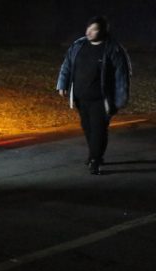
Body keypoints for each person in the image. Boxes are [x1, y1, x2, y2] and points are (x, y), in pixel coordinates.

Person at [56, 16, 131, 175]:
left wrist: (121, 98)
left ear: (103, 31)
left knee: (98, 129)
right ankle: (95, 154)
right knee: (87, 127)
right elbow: (67, 65)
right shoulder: (78, 45)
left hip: (101, 98)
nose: (89, 32)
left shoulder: (112, 49)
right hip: (81, 97)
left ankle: (95, 160)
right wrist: (62, 84)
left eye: (94, 29)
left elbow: (121, 75)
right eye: (88, 28)